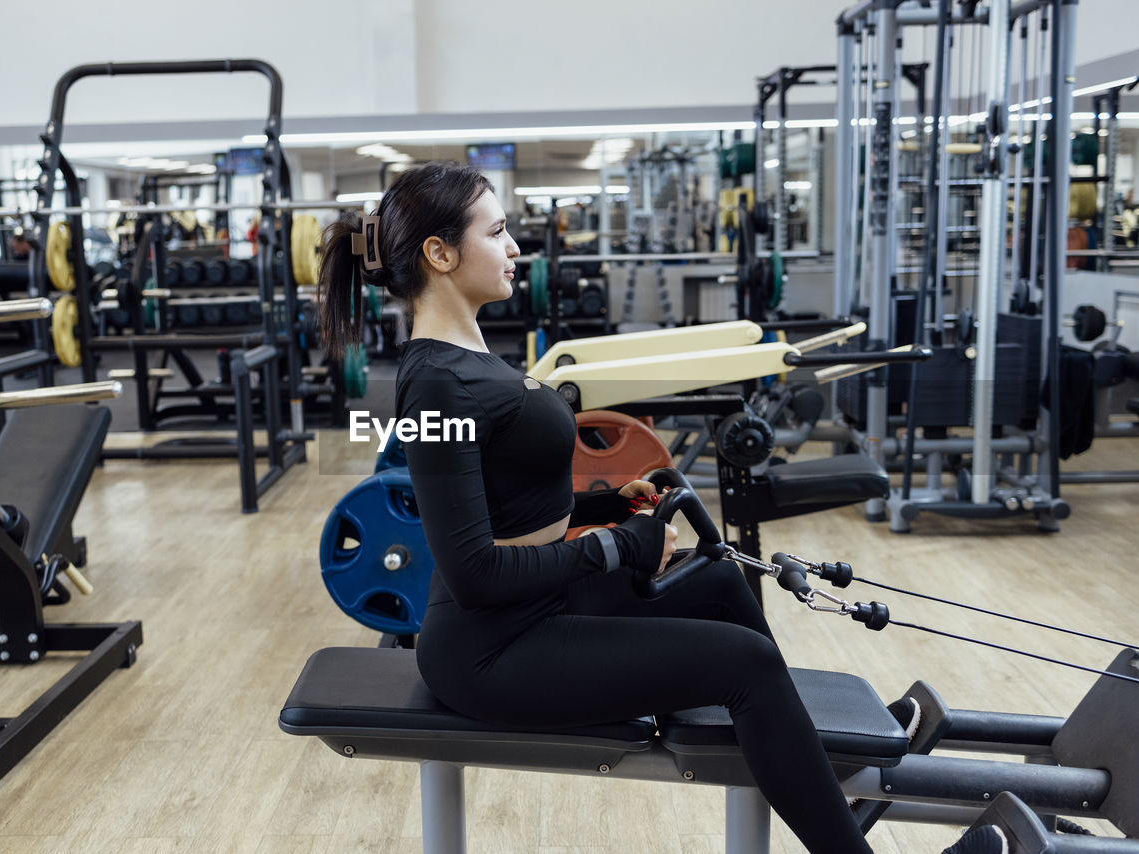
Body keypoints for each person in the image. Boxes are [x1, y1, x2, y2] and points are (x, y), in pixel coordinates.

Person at [319, 160, 1003, 854]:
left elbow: (505, 499)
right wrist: (618, 547)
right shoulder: (436, 383)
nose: (516, 248)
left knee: (713, 578)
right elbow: (473, 572)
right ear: (440, 253)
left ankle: (815, 762)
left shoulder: (469, 354)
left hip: (538, 610)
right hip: (492, 651)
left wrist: (607, 502)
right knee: (744, 666)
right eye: (496, 232)